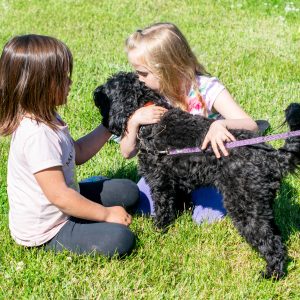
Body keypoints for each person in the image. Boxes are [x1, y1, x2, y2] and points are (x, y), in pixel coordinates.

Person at [0, 34, 139, 256]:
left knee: (129, 192)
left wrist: (108, 126)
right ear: (39, 86)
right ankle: (82, 211)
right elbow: (61, 198)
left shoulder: (47, 116)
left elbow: (78, 153)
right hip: (48, 229)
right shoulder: (37, 135)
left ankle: (83, 199)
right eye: (63, 77)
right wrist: (106, 214)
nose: (70, 82)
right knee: (121, 239)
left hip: (65, 199)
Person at [121, 22, 268, 224]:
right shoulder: (148, 96)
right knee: (144, 207)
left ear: (167, 68)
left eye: (143, 73)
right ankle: (180, 197)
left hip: (208, 171)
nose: (138, 79)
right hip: (168, 172)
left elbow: (251, 125)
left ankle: (195, 198)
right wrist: (134, 121)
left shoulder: (206, 89)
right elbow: (127, 152)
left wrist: (220, 125)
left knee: (206, 218)